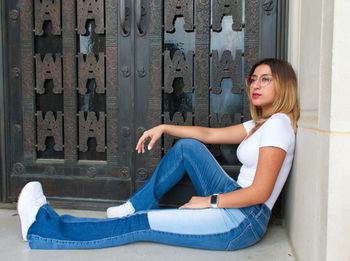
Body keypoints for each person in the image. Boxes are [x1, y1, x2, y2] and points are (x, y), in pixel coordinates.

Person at [17, 58, 300, 250]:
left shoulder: (278, 125)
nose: (256, 85)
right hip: (237, 201)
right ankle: (136, 204)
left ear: (283, 85)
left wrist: (210, 201)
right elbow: (209, 135)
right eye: (253, 79)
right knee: (189, 147)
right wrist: (164, 127)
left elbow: (260, 192)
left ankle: (42, 231)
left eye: (266, 80)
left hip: (241, 220)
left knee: (139, 225)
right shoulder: (259, 125)